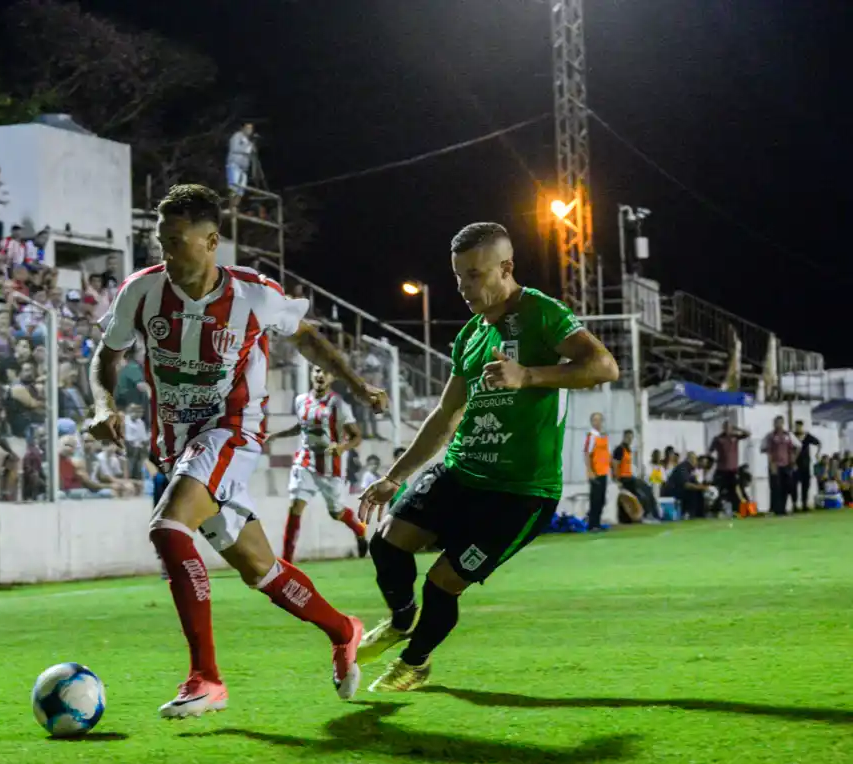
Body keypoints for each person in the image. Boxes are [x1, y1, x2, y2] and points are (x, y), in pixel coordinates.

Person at [87, 183, 388, 717]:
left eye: (177, 241)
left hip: (231, 430)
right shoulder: (142, 290)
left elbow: (307, 337)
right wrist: (103, 403)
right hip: (177, 445)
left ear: (210, 242)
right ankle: (343, 630)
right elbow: (106, 356)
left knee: (168, 528)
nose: (166, 253)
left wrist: (357, 384)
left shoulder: (254, 294)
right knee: (259, 569)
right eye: (161, 241)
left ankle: (206, 678)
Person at [356, 221, 618, 692]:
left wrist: (529, 376)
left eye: (475, 275)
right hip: (461, 472)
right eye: (459, 277)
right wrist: (394, 477)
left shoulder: (541, 312)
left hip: (520, 492)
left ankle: (415, 662)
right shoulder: (471, 335)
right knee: (387, 542)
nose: (464, 287)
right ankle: (400, 619)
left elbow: (603, 366)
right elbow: (445, 414)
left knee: (443, 581)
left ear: (506, 267)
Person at [267, 364, 368, 563]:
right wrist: (276, 435)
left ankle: (359, 530)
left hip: (330, 465)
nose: (321, 375)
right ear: (311, 374)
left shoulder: (338, 404)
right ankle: (286, 562)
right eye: (317, 370)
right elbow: (301, 427)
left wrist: (342, 448)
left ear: (332, 378)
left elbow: (356, 436)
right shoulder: (301, 400)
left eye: (326, 371)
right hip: (305, 460)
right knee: (295, 506)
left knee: (336, 512)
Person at [613, 428, 660, 520]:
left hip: (629, 476)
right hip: (624, 478)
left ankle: (654, 513)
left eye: (631, 438)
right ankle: (649, 514)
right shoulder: (620, 449)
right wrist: (617, 480)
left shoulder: (628, 450)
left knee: (647, 489)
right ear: (624, 437)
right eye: (628, 438)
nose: (630, 440)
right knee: (643, 491)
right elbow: (615, 464)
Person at [708, 420, 749, 514]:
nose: (727, 429)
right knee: (721, 491)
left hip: (733, 469)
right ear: (723, 428)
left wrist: (737, 428)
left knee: (736, 490)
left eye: (729, 427)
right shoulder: (718, 438)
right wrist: (713, 460)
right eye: (726, 427)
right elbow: (710, 451)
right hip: (722, 469)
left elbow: (747, 434)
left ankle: (740, 510)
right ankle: (716, 510)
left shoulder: (735, 437)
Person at [760, 416, 798, 516]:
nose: (778, 425)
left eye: (780, 423)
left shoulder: (788, 435)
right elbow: (766, 449)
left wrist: (793, 461)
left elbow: (796, 447)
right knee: (776, 487)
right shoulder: (770, 436)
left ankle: (783, 508)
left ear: (783, 423)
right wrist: (771, 463)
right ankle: (775, 509)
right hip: (775, 465)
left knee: (786, 487)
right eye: (776, 423)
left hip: (786, 465)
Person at [583, 411, 610, 530]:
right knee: (595, 499)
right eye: (595, 420)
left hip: (604, 471)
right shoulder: (591, 436)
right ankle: (592, 524)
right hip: (596, 472)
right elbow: (587, 454)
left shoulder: (603, 436)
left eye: (599, 420)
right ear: (591, 422)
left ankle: (597, 523)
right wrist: (590, 471)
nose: (597, 422)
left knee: (602, 500)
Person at [663, 451, 709, 519]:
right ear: (691, 460)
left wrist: (702, 487)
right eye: (695, 460)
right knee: (693, 491)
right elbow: (686, 485)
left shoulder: (690, 470)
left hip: (678, 491)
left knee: (697, 490)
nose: (696, 462)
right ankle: (691, 514)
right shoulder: (683, 468)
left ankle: (698, 514)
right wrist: (702, 487)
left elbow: (694, 482)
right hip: (672, 492)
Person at [790, 420, 821, 512]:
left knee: (805, 485)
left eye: (799, 426)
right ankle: (794, 504)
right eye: (796, 426)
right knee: (794, 485)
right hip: (795, 464)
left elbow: (818, 443)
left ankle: (804, 503)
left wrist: (817, 454)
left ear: (802, 427)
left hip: (805, 464)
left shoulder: (807, 436)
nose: (798, 428)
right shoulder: (792, 436)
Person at [226, 123, 255, 209]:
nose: (249, 130)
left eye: (251, 129)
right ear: (243, 128)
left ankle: (235, 207)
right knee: (233, 187)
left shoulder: (249, 141)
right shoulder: (237, 136)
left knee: (241, 190)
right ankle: (231, 206)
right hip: (234, 164)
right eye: (248, 128)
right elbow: (234, 148)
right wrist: (246, 150)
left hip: (244, 168)